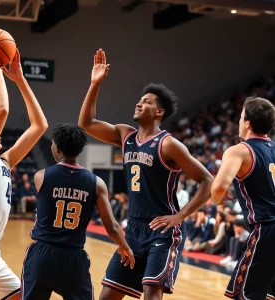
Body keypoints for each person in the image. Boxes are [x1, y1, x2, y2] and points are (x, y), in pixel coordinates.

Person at [79, 49, 213, 300]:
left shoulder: (169, 144)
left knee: (152, 294)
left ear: (159, 112)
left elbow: (207, 180)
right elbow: (86, 123)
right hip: (134, 229)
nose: (139, 103)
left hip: (161, 230)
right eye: (140, 100)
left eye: (147, 101)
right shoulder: (125, 134)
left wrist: (180, 216)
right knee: (107, 295)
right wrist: (95, 84)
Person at [21, 123, 135, 300]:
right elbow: (112, 226)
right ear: (80, 149)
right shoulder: (96, 183)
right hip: (73, 257)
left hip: (42, 253)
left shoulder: (40, 176)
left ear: (56, 148)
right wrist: (124, 246)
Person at [0, 50, 48, 300]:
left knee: (21, 296)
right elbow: (1, 112)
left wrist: (20, 79)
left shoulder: (5, 161)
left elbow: (40, 126)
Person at [211, 97, 275, 299]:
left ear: (247, 122)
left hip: (266, 229)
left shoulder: (239, 150)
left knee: (245, 294)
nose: (239, 122)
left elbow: (219, 187)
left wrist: (218, 197)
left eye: (240, 117)